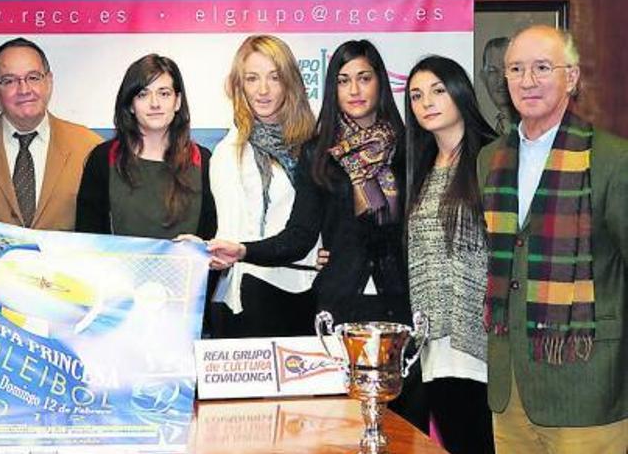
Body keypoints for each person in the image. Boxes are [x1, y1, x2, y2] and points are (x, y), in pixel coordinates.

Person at [208, 39, 426, 430]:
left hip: (402, 306)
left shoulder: (412, 147)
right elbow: (300, 235)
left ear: (380, 83)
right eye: (343, 81)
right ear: (332, 88)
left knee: (404, 430)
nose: (355, 90)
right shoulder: (319, 152)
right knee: (338, 428)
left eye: (364, 78)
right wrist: (242, 250)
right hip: (339, 309)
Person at [478, 25, 628, 454]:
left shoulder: (614, 161)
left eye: (542, 67)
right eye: (516, 69)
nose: (527, 81)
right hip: (510, 393)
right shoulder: (489, 160)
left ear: (572, 77)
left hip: (590, 386)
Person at [405, 55, 497, 454]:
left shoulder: (491, 159)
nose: (426, 102)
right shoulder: (420, 164)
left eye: (437, 91)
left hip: (481, 340)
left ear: (460, 92)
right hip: (434, 340)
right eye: (416, 95)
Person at [208, 35, 318, 338]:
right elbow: (228, 234)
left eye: (274, 77)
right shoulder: (229, 151)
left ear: (290, 82)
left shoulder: (312, 145)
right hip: (252, 292)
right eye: (252, 78)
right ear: (238, 85)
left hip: (309, 291)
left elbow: (314, 224)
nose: (263, 90)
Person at [0, 37, 102, 230]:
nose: (24, 90)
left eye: (33, 77)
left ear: (49, 82)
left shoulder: (89, 147)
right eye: (9, 81)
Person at [76, 54, 215, 240]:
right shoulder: (102, 159)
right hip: (116, 269)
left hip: (188, 269)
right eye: (143, 94)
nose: (155, 103)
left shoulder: (203, 161)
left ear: (178, 101)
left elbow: (213, 242)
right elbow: (89, 240)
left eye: (164, 93)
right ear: (131, 105)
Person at [480, 37, 519, 134]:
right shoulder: (474, 123)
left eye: (509, 70)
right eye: (493, 71)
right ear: (483, 76)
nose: (501, 80)